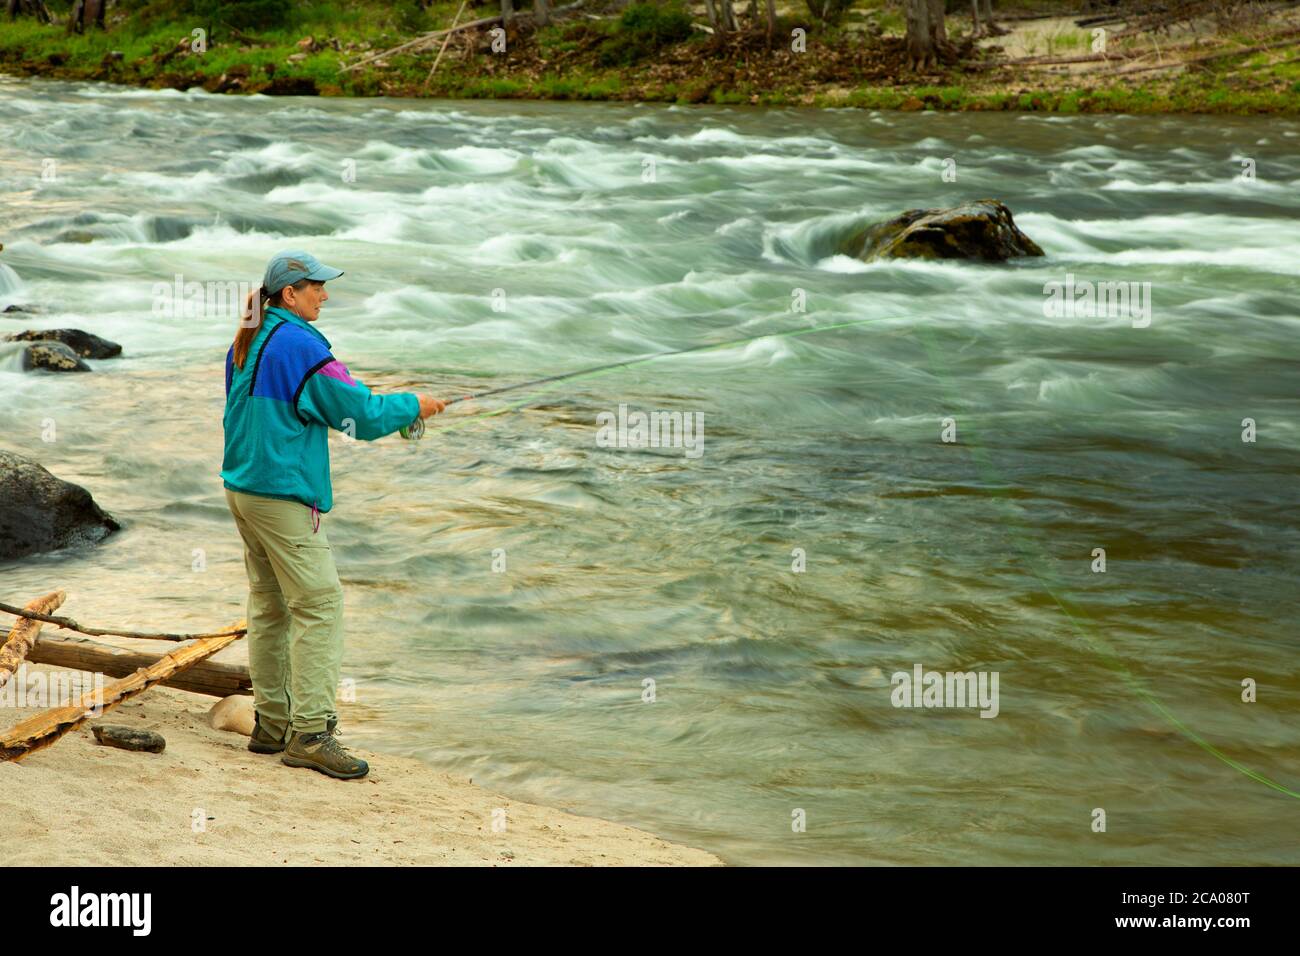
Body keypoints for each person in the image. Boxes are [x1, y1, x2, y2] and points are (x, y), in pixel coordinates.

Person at [221, 250, 445, 779]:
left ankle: (271, 725)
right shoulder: (300, 343)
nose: (325, 294)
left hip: (243, 488)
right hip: (278, 496)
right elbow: (360, 415)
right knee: (320, 604)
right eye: (316, 286)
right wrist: (415, 405)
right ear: (289, 295)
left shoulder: (247, 338)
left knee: (271, 604)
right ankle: (312, 735)